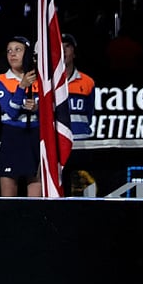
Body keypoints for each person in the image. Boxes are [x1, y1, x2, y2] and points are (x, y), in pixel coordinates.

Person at [0, 36, 40, 198]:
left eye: (18, 50)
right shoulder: (0, 80)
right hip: (12, 138)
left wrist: (37, 108)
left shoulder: (41, 81)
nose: (12, 54)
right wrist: (22, 87)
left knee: (36, 201)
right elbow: (11, 112)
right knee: (8, 202)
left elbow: (50, 112)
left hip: (35, 137)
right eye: (9, 51)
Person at [60, 34, 95, 193]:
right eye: (60, 46)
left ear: (74, 52)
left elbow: (89, 113)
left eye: (67, 46)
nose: (63, 50)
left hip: (82, 143)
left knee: (83, 188)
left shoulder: (87, 82)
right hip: (58, 145)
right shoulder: (46, 83)